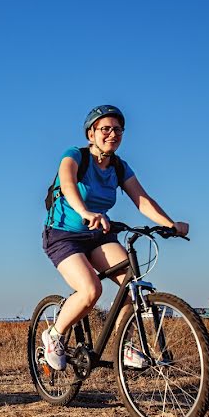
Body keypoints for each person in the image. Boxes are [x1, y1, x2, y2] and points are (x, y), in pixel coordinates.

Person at [42, 105, 189, 371]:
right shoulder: (75, 156)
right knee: (90, 291)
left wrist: (171, 224)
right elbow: (67, 184)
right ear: (91, 134)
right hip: (64, 235)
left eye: (118, 129)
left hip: (98, 234)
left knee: (131, 283)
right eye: (105, 129)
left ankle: (125, 345)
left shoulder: (119, 167)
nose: (112, 134)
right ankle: (54, 335)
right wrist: (85, 211)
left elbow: (142, 199)